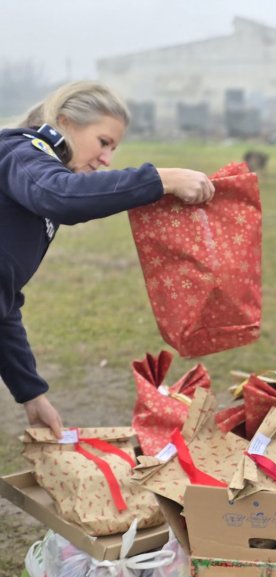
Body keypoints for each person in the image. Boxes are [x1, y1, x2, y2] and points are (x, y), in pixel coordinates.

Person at [0, 81, 214, 437]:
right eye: (103, 142)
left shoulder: (34, 186)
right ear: (65, 122)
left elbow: (4, 302)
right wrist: (162, 179)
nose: (106, 160)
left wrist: (31, 394)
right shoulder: (18, 150)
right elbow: (62, 196)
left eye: (113, 148)